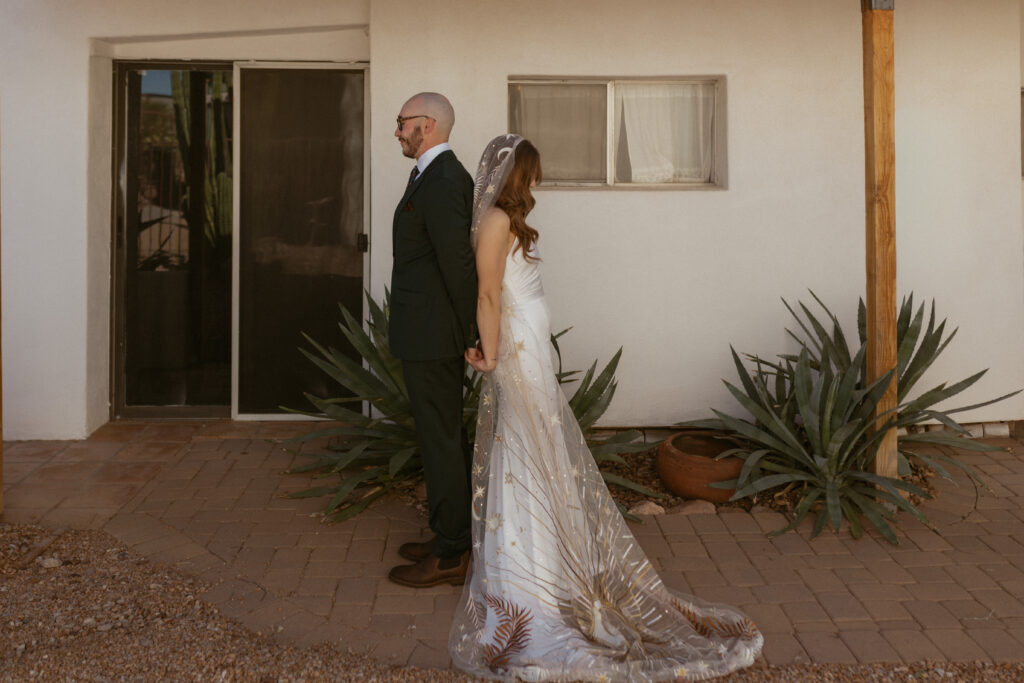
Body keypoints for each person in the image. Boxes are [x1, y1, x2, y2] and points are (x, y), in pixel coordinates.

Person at [449, 134, 764, 681]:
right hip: (522, 346)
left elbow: (495, 293)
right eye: (533, 173)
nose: (535, 183)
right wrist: (497, 350)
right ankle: (530, 577)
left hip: (523, 348)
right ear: (519, 175)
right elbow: (494, 293)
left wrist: (497, 351)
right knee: (527, 452)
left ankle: (532, 575)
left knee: (528, 453)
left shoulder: (501, 220)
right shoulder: (503, 221)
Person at [387, 93, 477, 588]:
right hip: (424, 331)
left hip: (435, 335)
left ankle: (450, 555)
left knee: (441, 442)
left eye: (402, 122)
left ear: (427, 124)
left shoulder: (443, 180)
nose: (397, 130)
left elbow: (456, 264)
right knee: (442, 438)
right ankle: (451, 534)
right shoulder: (429, 174)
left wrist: (471, 331)